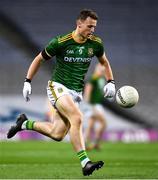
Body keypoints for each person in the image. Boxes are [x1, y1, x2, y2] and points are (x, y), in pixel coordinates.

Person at [7, 9, 116, 176]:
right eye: (89, 26)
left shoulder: (95, 43)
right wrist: (27, 81)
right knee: (77, 117)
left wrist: (111, 82)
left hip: (75, 92)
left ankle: (24, 124)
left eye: (94, 27)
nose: (92, 30)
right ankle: (85, 163)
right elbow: (39, 59)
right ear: (79, 24)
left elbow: (104, 62)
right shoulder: (61, 42)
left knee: (57, 133)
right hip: (58, 87)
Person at [83, 63, 107, 151]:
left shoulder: (101, 79)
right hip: (93, 105)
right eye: (100, 68)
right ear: (96, 68)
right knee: (103, 122)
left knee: (90, 124)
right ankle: (95, 142)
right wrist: (89, 106)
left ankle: (85, 143)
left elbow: (99, 92)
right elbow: (87, 92)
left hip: (97, 104)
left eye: (103, 68)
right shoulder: (93, 79)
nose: (102, 69)